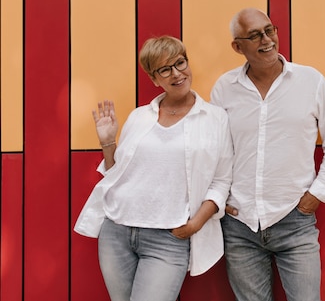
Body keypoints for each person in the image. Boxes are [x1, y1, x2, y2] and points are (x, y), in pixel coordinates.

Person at [74, 35, 233, 301]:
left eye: (180, 63)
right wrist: (108, 143)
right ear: (154, 79)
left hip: (169, 238)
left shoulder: (215, 119)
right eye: (165, 69)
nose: (176, 73)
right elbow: (117, 174)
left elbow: (221, 181)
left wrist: (196, 225)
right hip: (117, 231)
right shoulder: (139, 116)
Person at [210, 7, 325, 301]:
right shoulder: (225, 88)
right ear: (238, 47)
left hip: (294, 221)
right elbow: (215, 151)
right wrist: (220, 200)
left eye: (269, 30)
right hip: (240, 225)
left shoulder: (310, 81)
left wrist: (318, 194)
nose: (266, 40)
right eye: (255, 35)